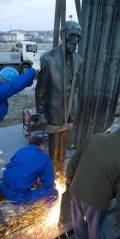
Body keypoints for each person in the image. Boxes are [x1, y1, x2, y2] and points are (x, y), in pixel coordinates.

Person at [65, 116, 120, 239]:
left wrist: (69, 177)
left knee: (77, 219)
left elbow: (74, 160)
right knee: (94, 225)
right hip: (97, 201)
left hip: (76, 190)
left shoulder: (96, 137)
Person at [35, 21, 83, 175]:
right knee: (54, 146)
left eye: (78, 37)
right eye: (72, 35)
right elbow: (40, 90)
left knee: (64, 144)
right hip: (53, 111)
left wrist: (76, 106)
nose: (75, 40)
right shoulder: (47, 59)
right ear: (64, 35)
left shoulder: (79, 60)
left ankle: (60, 170)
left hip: (70, 112)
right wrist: (41, 114)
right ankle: (51, 172)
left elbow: (76, 87)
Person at [0, 136, 58, 206]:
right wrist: (50, 188)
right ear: (41, 145)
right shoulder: (44, 158)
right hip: (17, 198)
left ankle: (2, 193)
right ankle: (48, 208)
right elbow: (48, 183)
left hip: (3, 185)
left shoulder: (20, 150)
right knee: (53, 192)